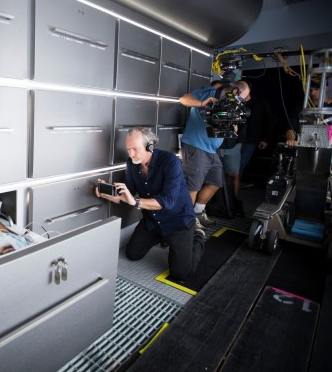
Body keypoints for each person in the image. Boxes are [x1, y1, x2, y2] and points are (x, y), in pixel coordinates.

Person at [96, 127, 205, 282]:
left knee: (181, 274)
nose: (131, 154)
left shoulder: (170, 161)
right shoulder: (132, 163)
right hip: (153, 220)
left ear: (150, 145)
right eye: (128, 149)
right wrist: (107, 194)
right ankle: (163, 237)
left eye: (135, 149)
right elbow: (127, 195)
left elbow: (167, 202)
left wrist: (136, 202)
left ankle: (198, 235)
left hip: (178, 221)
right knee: (133, 254)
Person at [179, 80, 250, 228]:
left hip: (212, 150)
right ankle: (187, 223)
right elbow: (183, 99)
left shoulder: (232, 105)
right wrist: (202, 103)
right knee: (193, 187)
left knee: (216, 182)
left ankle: (198, 212)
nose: (240, 101)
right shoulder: (210, 92)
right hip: (196, 146)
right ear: (234, 91)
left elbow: (234, 130)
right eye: (241, 98)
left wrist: (232, 121)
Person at [238, 86, 274, 188]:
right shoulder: (236, 103)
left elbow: (268, 121)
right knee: (234, 164)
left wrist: (265, 139)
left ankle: (234, 185)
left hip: (250, 139)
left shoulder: (259, 104)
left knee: (241, 164)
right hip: (235, 139)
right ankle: (232, 185)